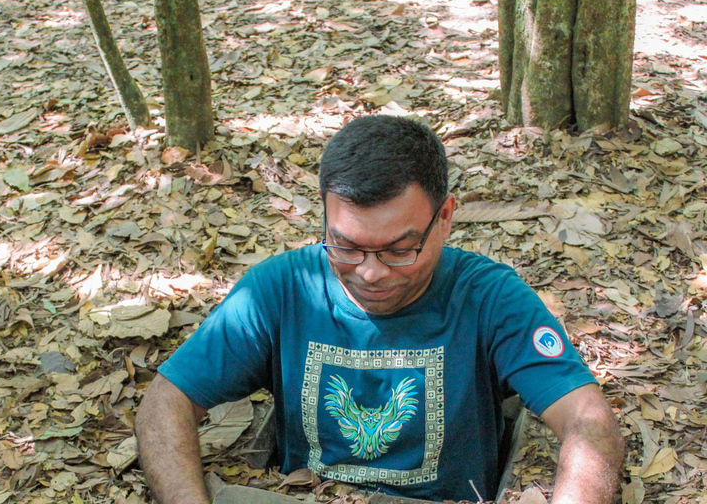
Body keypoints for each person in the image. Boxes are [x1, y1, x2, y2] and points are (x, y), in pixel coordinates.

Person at [135, 115, 624, 504]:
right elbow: (166, 400)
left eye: (398, 249)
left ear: (446, 217)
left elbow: (587, 418)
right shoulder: (282, 287)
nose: (370, 273)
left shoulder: (489, 298)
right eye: (345, 246)